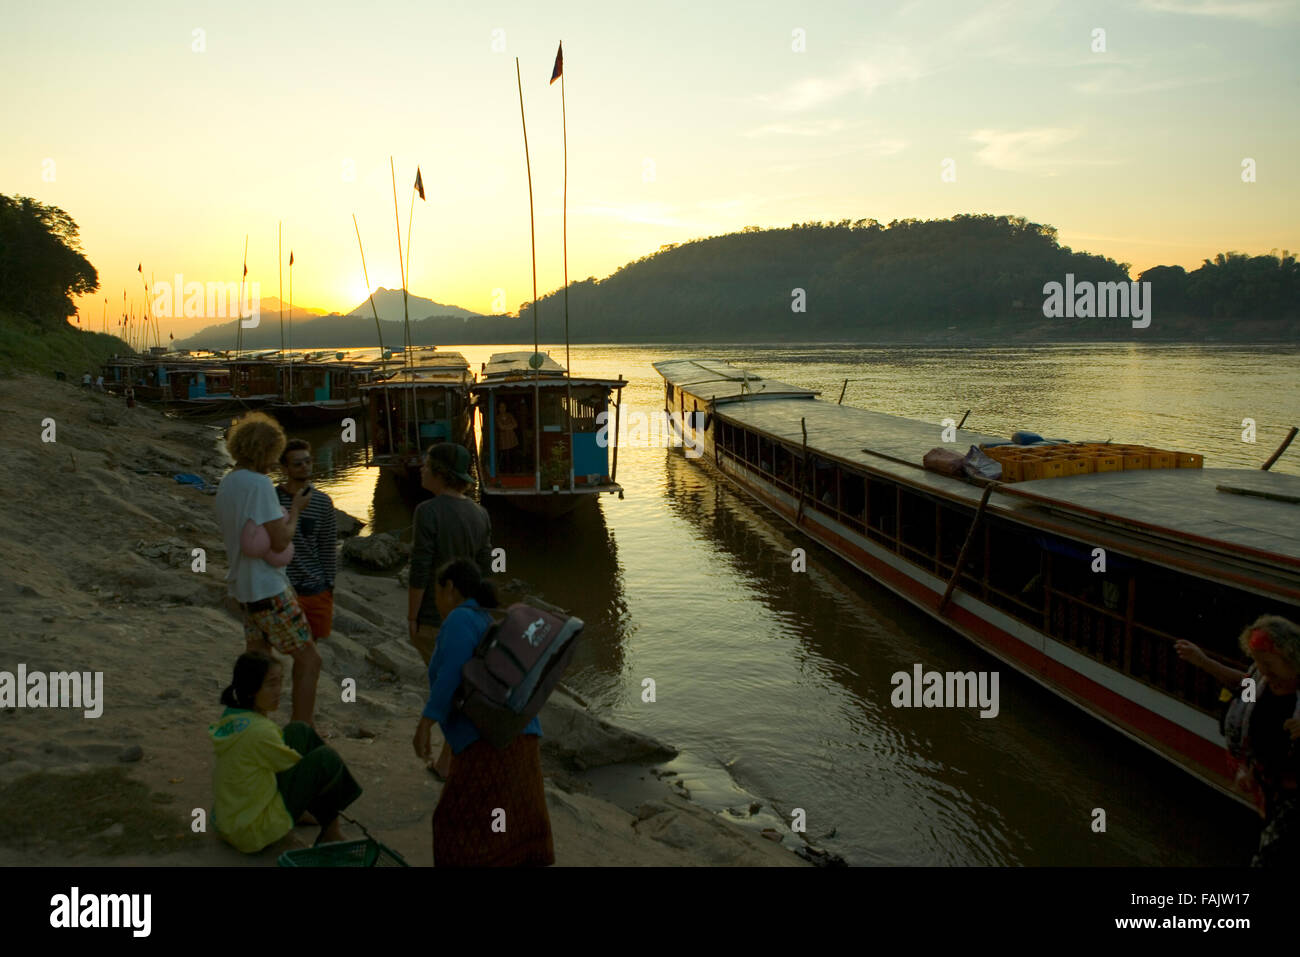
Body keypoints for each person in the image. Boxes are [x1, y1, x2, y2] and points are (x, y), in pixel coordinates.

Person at [412, 559, 553, 867]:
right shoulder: (486, 617)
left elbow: (452, 672)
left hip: (488, 743)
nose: (436, 603)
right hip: (520, 734)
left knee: (456, 825)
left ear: (450, 588)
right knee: (511, 824)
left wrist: (426, 722)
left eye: (437, 593)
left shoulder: (461, 619)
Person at [214, 412, 322, 725]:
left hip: (243, 590)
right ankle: (303, 729)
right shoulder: (259, 485)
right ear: (268, 451)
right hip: (268, 588)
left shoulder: (228, 483)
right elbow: (280, 540)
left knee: (260, 662)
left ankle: (254, 725)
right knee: (309, 660)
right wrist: (296, 511)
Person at [1176, 615, 1300, 867]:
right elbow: (1244, 685)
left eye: (1268, 664)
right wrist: (1203, 662)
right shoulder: (1263, 679)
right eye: (1256, 663)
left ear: (1292, 658)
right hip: (1268, 786)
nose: (1263, 671)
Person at [210, 652, 362, 852]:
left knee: (299, 730)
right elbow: (298, 766)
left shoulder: (232, 716)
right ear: (251, 689)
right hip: (252, 832)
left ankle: (309, 816)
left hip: (228, 822)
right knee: (326, 759)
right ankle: (330, 833)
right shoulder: (261, 732)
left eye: (280, 682)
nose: (278, 691)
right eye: (271, 684)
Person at [276, 439, 337, 642]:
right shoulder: (273, 499)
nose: (305, 467)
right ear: (284, 468)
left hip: (316, 589)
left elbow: (328, 547)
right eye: (297, 464)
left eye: (308, 462)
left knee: (313, 649)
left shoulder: (323, 501)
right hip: (284, 589)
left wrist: (329, 585)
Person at [496, 402, 519, 473]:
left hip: (512, 439)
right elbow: (500, 427)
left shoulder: (509, 415)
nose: (502, 409)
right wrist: (509, 426)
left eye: (504, 407)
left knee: (513, 454)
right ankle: (505, 470)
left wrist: (506, 427)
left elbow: (515, 424)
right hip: (503, 440)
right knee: (505, 456)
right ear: (499, 409)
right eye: (501, 407)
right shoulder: (497, 417)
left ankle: (514, 470)